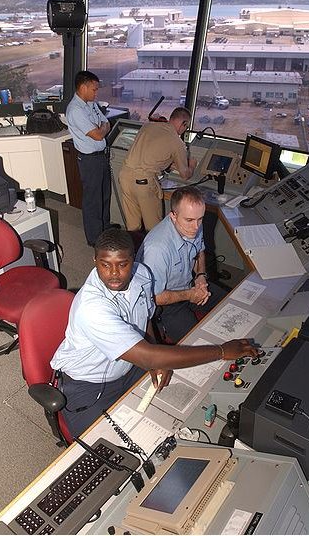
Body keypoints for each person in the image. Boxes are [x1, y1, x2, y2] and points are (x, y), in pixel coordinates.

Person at [50, 228, 258, 438]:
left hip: (129, 366)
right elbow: (147, 355)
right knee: (108, 450)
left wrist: (154, 353)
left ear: (133, 259)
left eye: (122, 264)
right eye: (105, 265)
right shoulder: (91, 307)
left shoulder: (141, 274)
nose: (114, 273)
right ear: (94, 260)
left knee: (175, 414)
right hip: (88, 386)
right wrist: (221, 351)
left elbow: (144, 317)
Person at [136, 186, 228, 343]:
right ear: (173, 216)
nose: (196, 227)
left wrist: (200, 276)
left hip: (189, 285)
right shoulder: (157, 249)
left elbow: (200, 252)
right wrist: (190, 295)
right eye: (190, 220)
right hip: (166, 303)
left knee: (230, 304)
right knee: (197, 344)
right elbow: (154, 297)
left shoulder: (194, 222)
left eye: (200, 219)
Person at [119, 107, 198, 232]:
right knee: (154, 229)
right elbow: (185, 174)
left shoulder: (148, 126)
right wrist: (192, 165)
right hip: (143, 183)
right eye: (186, 128)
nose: (184, 131)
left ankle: (133, 250)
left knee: (133, 226)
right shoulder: (177, 142)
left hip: (124, 176)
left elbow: (149, 154)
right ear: (184, 124)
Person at [66, 70, 118, 247]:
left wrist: (101, 129)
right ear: (83, 87)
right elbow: (97, 134)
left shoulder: (91, 104)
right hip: (89, 161)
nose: (96, 93)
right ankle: (95, 238)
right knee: (92, 200)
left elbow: (106, 123)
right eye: (94, 89)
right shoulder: (75, 110)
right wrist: (101, 130)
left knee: (104, 195)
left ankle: (105, 229)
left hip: (101, 157)